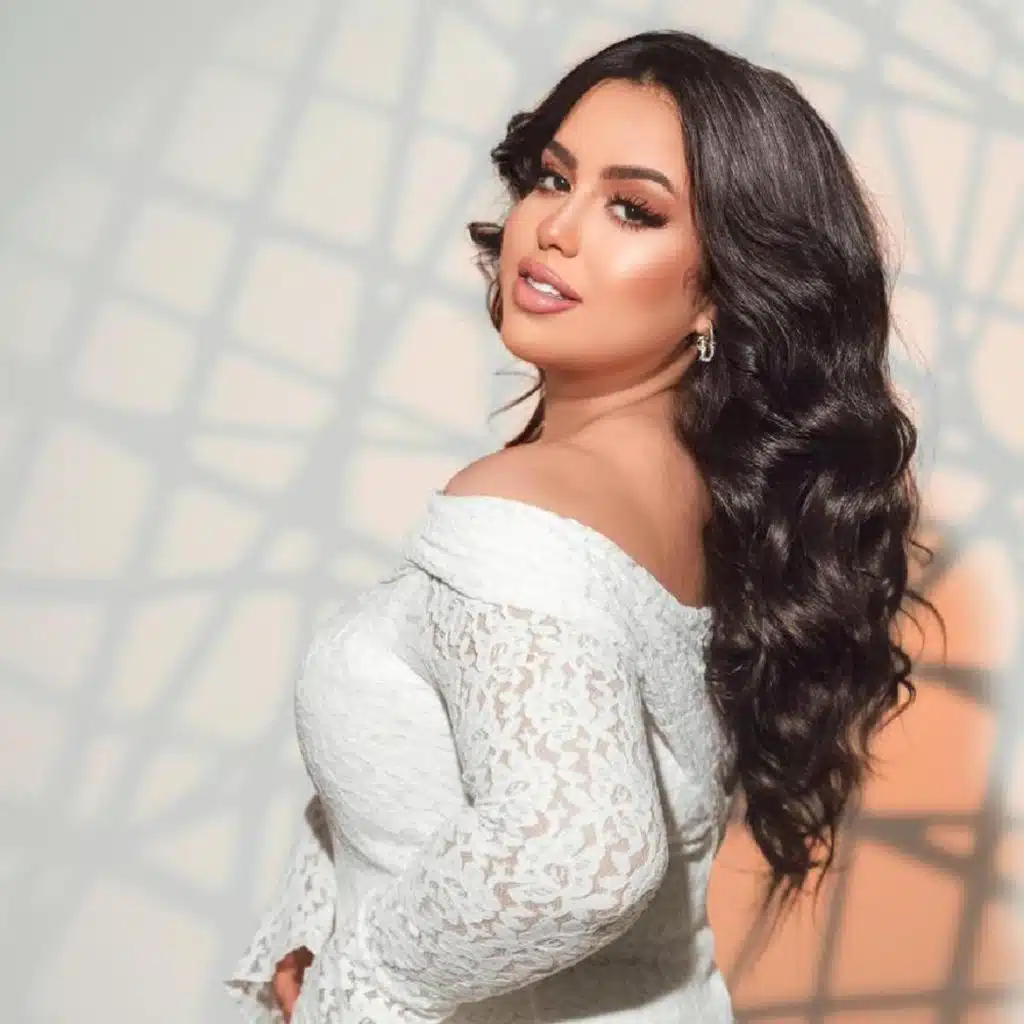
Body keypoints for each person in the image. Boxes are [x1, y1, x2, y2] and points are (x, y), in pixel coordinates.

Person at [225, 28, 941, 1024]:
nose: (554, 228)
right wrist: (323, 922)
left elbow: (579, 858)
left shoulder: (526, 505)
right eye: (552, 178)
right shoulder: (716, 502)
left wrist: (359, 986)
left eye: (632, 208)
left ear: (724, 290)